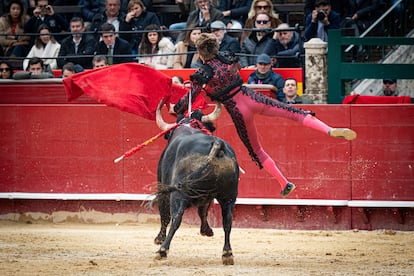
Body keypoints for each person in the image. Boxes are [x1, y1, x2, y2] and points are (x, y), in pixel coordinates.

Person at [173, 33, 357, 198]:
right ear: (216, 47)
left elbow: (187, 101)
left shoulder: (202, 74)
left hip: (238, 112)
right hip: (253, 97)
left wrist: (177, 107)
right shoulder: (228, 58)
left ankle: (284, 182)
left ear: (198, 51)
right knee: (294, 112)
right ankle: (330, 130)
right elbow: (235, 72)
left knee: (257, 151)